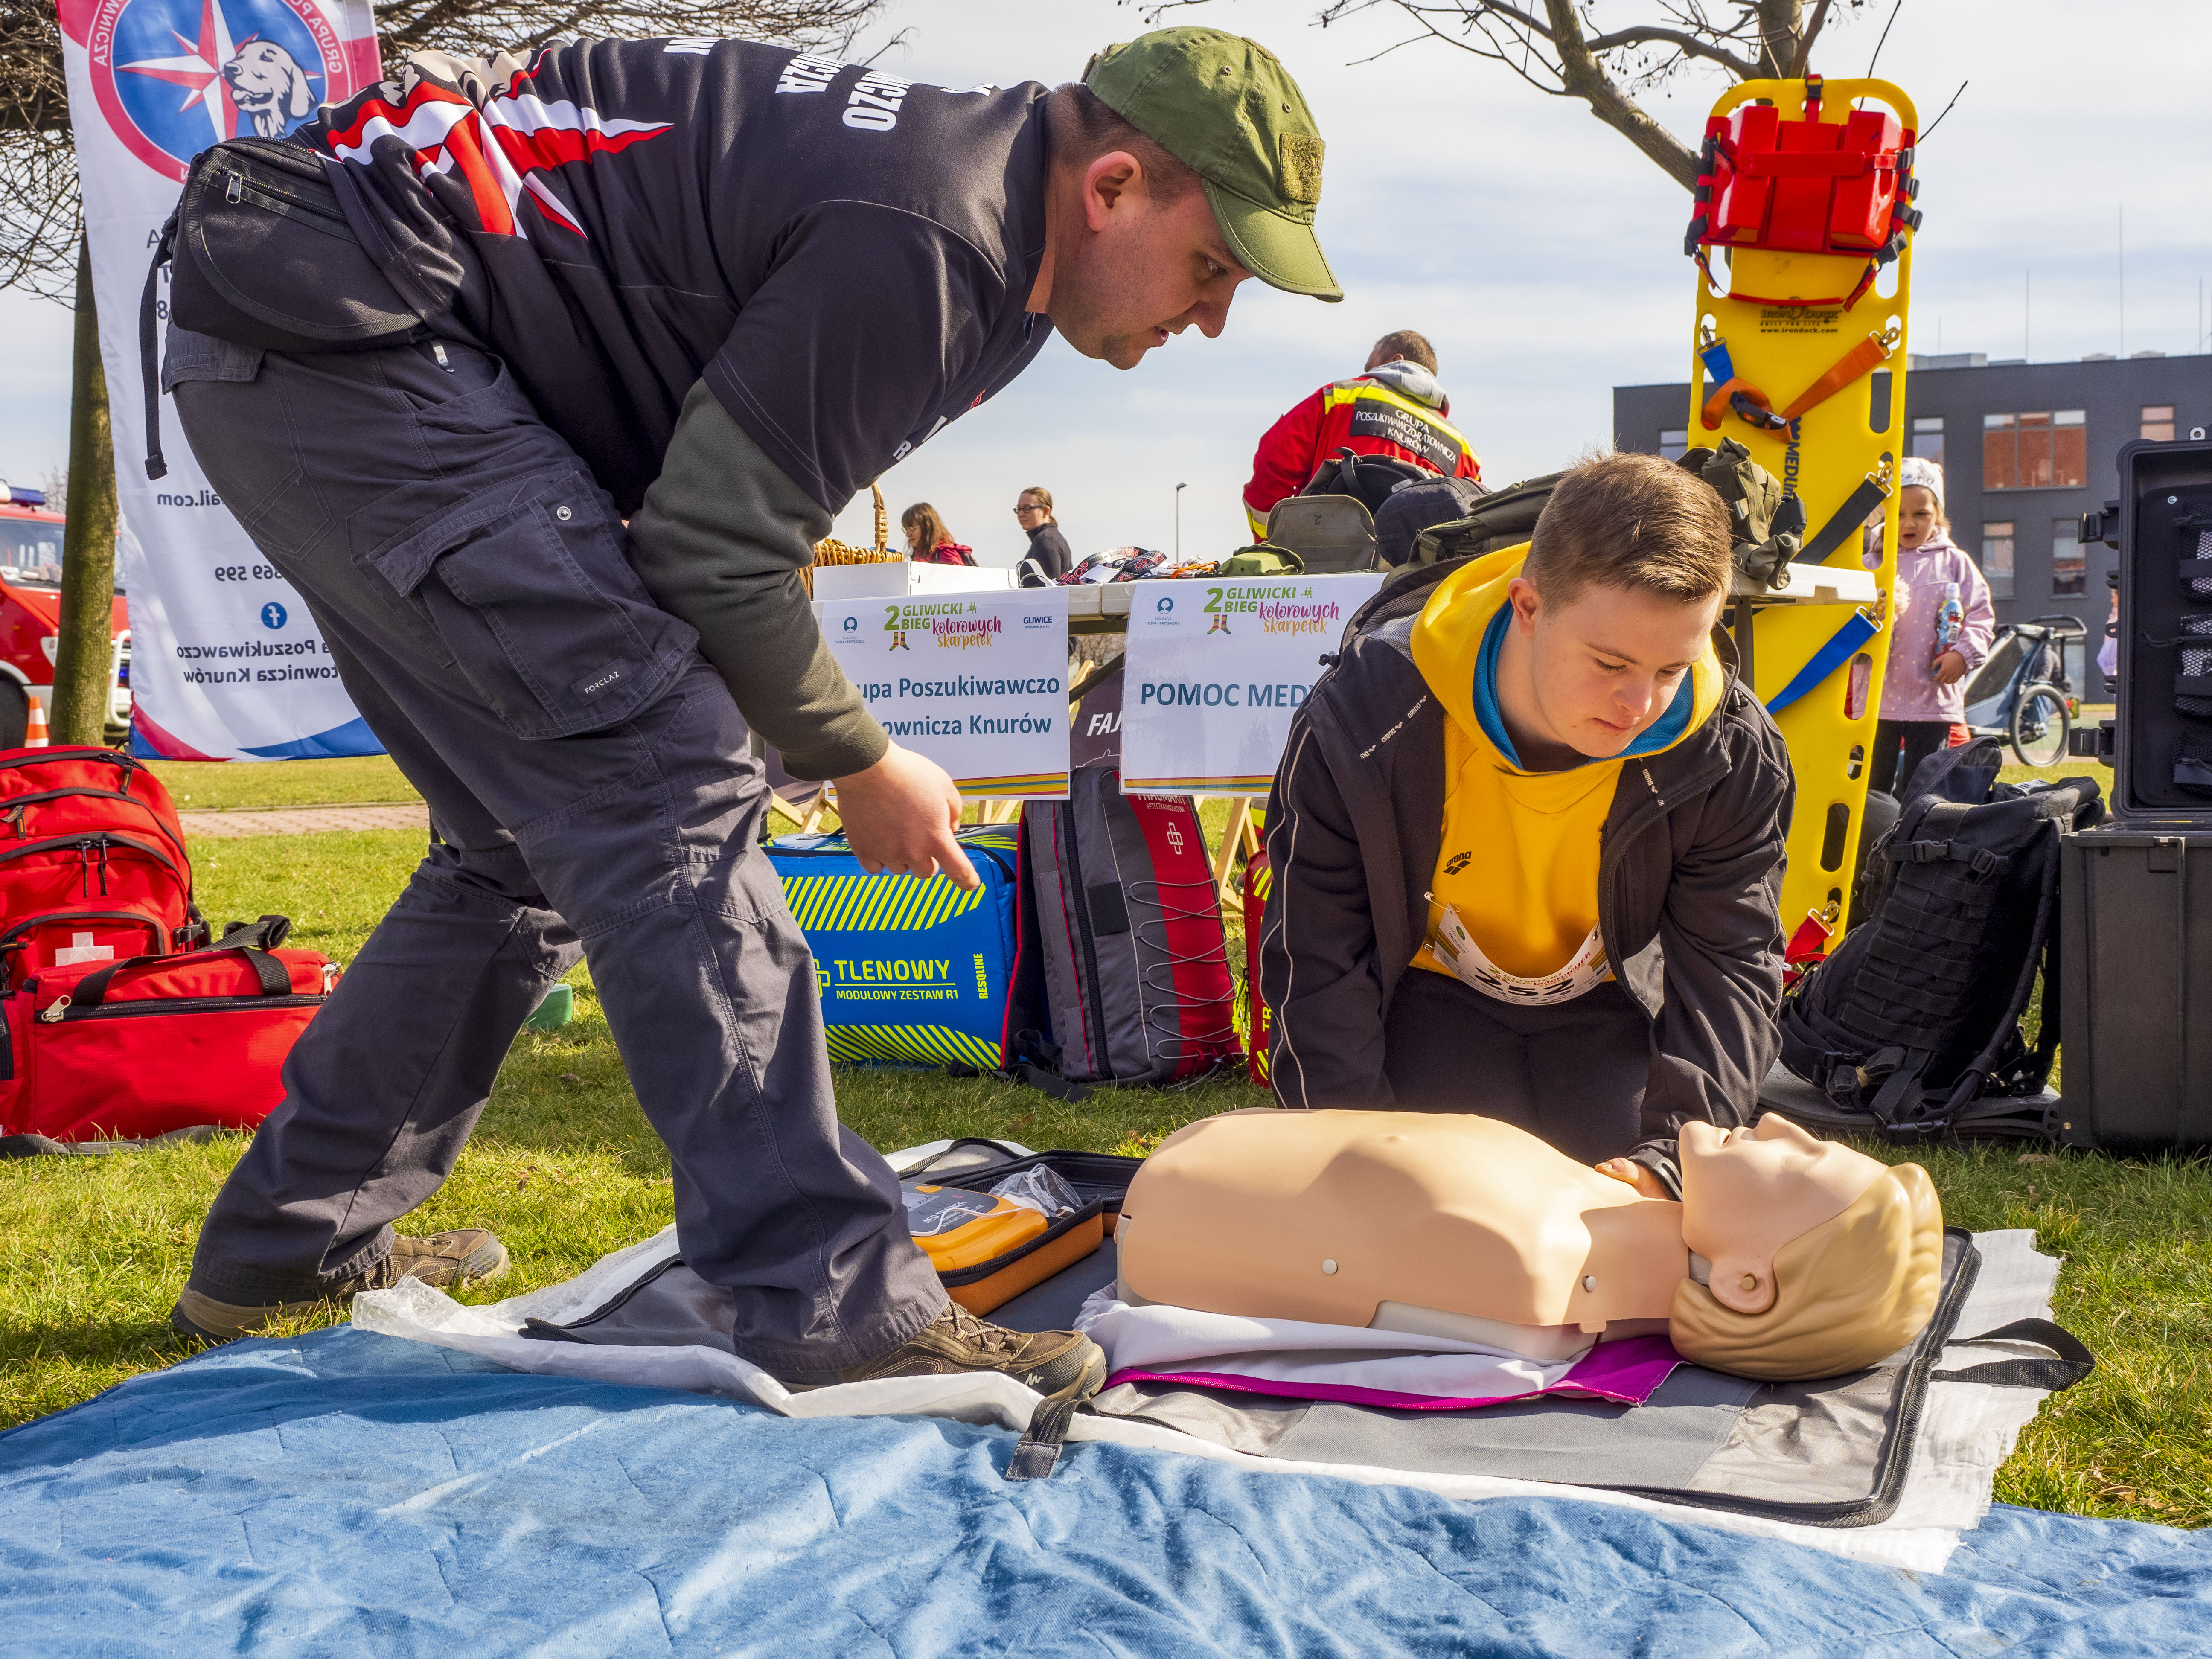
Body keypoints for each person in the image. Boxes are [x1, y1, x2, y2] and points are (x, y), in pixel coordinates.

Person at [158, 25, 1341, 1403]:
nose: (1211, 319)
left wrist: (801, 715)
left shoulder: (978, 219)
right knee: (669, 784)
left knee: (516, 845)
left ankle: (282, 1249)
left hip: (299, 316)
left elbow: (725, 509)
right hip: (354, 333)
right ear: (1115, 186)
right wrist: (855, 752)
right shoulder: (936, 233)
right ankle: (827, 1300)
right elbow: (712, 543)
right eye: (1213, 268)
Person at [1259, 452, 1795, 1196]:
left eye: (1670, 669)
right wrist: (1350, 1156)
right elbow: (1316, 954)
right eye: (1608, 663)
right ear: (1527, 604)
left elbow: (1730, 967)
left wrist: (1669, 1157)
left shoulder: (1728, 747)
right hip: (1422, 1001)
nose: (1638, 705)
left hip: (1609, 1008)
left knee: (1599, 1199)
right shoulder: (1365, 715)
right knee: (1435, 1198)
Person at [1115, 1108, 1942, 1381]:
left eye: (1799, 1164)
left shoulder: (1527, 1261)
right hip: (1205, 1164)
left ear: (1746, 1285)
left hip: (1181, 1190)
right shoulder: (1599, 1213)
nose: (1779, 1123)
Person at [1241, 329, 1480, 538]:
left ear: (1396, 361)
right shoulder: (1464, 450)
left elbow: (1275, 458)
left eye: (1371, 367)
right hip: (1411, 579)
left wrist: (1272, 539)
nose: (1366, 374)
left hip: (1329, 558)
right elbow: (1474, 516)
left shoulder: (1339, 397)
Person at [1863, 457, 1994, 797]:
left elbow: (1981, 615)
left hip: (1934, 694)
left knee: (1924, 785)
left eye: (1920, 514)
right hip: (1879, 696)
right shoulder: (1873, 562)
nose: (1909, 523)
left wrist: (1963, 656)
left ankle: (1915, 843)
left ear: (1937, 513)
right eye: (1899, 514)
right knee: (1873, 785)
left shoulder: (1955, 562)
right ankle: (1871, 843)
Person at [1014, 486, 1071, 583]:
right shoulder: (1049, 538)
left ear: (1046, 511)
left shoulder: (1046, 540)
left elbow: (1050, 590)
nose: (1021, 514)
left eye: (1027, 509)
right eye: (1019, 509)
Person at [901, 502, 973, 566]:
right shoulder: (919, 554)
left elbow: (960, 579)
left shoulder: (946, 554)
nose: (908, 534)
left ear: (928, 528)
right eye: (906, 529)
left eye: (912, 529)